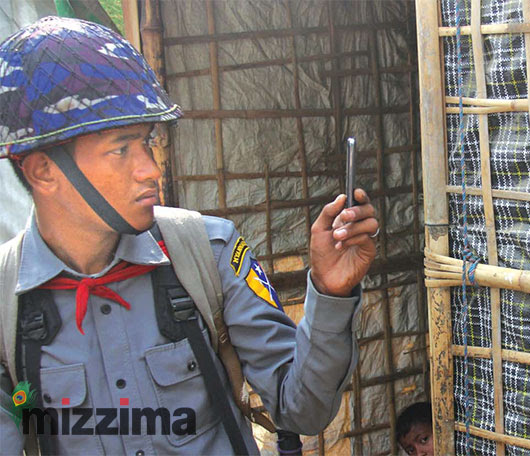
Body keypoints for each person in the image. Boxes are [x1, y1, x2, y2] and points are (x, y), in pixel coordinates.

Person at [0, 16, 378, 455]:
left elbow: (304, 412)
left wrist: (330, 293)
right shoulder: (6, 300)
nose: (150, 170)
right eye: (121, 149)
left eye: (146, 143)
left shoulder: (205, 252)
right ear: (43, 170)